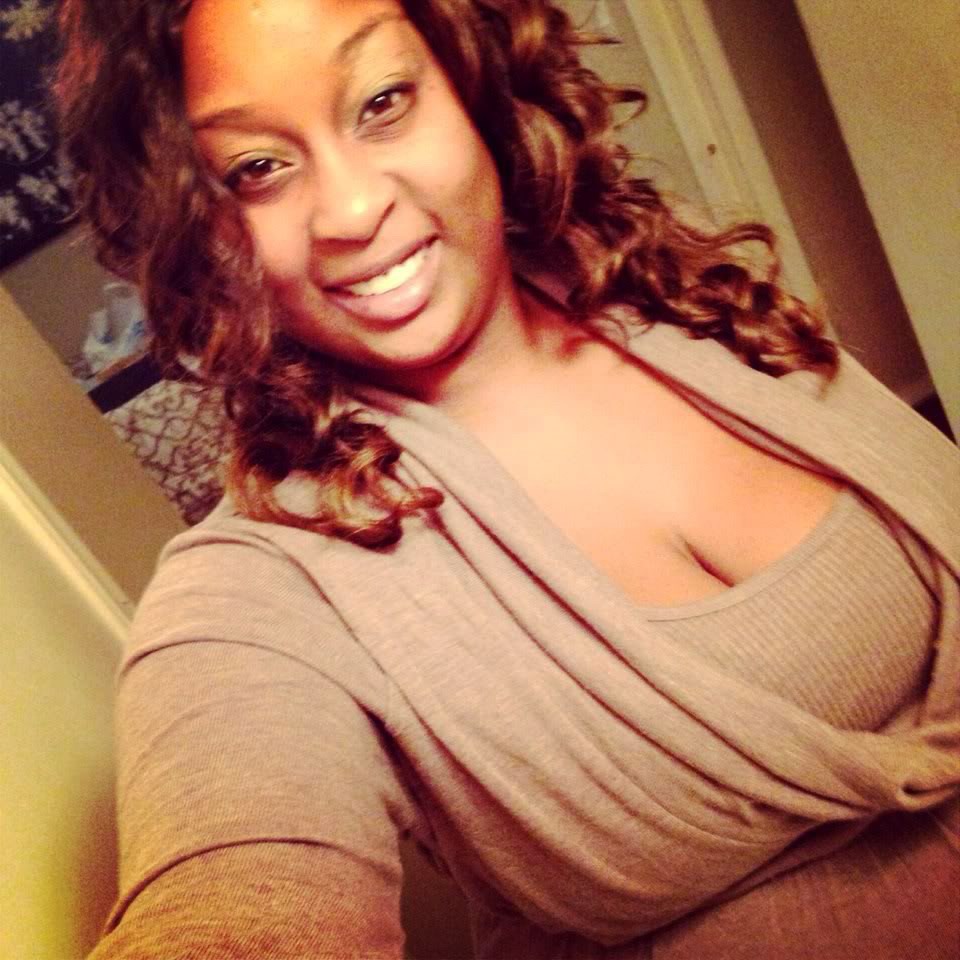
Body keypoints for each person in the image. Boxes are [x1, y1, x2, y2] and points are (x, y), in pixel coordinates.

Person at [56, 0, 959, 957]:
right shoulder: (259, 590)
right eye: (256, 169)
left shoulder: (674, 287)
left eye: (383, 101)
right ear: (194, 227)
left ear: (471, 75)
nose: (353, 212)